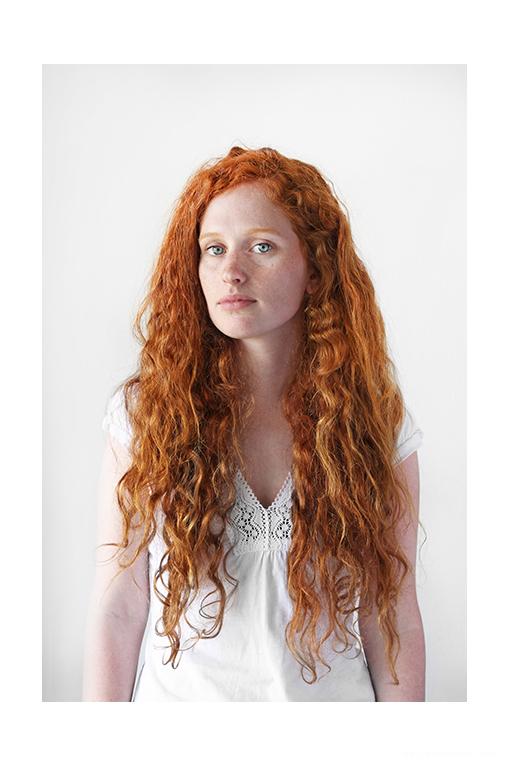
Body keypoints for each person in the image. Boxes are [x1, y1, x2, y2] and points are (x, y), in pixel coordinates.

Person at [82, 145, 425, 702]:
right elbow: (118, 606)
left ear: (315, 269)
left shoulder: (376, 421)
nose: (231, 271)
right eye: (214, 249)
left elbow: (394, 614)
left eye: (261, 247)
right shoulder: (146, 414)